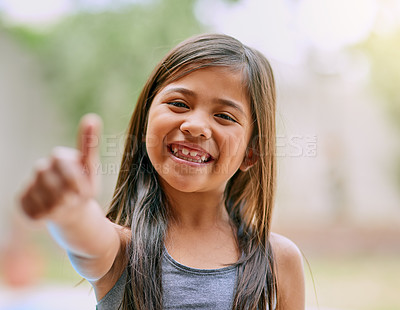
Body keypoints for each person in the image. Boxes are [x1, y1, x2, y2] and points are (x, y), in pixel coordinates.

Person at [20, 34, 305, 310]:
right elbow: (86, 237)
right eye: (179, 104)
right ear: (146, 119)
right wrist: (72, 212)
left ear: (251, 152)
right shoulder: (121, 250)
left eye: (224, 116)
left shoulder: (279, 261)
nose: (195, 125)